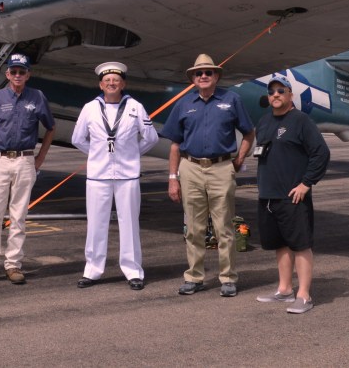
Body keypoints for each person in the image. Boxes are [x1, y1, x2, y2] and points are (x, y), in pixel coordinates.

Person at [162, 53, 255, 297]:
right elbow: (174, 144)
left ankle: (228, 278)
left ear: (216, 76)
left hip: (221, 167)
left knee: (224, 226)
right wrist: (173, 178)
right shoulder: (183, 103)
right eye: (198, 73)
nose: (203, 76)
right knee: (194, 227)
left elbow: (248, 132)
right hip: (190, 167)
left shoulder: (231, 100)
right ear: (193, 78)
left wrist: (239, 160)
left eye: (208, 72)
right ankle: (194, 277)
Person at [71, 62, 160, 290]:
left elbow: (150, 138)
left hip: (127, 175)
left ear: (123, 84)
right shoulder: (90, 108)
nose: (112, 83)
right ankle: (92, 270)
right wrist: (97, 154)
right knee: (96, 224)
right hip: (98, 176)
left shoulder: (135, 107)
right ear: (101, 84)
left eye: (116, 80)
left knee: (129, 223)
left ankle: (133, 271)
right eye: (107, 80)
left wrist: (131, 154)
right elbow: (78, 139)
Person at [0, 52, 55, 285]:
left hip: (24, 160)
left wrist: (39, 158)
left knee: (19, 216)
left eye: (22, 71)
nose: (18, 75)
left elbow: (50, 128)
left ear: (28, 74)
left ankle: (13, 265)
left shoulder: (37, 97)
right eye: (14, 71)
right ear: (7, 73)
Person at [252, 74, 329, 314]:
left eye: (281, 91)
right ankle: (284, 290)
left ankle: (304, 295)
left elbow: (321, 153)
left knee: (300, 244)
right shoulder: (264, 122)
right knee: (280, 244)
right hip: (268, 194)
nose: (276, 95)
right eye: (272, 91)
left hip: (293, 195)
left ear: (290, 95)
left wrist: (306, 183)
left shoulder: (301, 121)